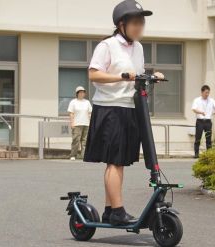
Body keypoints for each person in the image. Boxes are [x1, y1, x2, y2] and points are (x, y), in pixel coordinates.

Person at [84, 0, 163, 226]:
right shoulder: (107, 46)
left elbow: (135, 75)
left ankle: (110, 210)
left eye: (142, 23)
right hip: (109, 109)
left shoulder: (138, 48)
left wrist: (151, 75)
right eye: (135, 23)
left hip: (130, 108)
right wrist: (121, 77)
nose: (139, 27)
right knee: (114, 162)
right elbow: (94, 74)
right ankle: (118, 211)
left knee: (120, 161)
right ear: (121, 25)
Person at [191, 85, 215, 158]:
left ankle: (209, 154)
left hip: (208, 121)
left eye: (208, 93)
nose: (207, 94)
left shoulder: (211, 100)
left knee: (208, 138)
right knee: (198, 138)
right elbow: (194, 109)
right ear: (202, 92)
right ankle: (196, 154)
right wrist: (201, 112)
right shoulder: (197, 100)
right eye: (206, 92)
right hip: (200, 121)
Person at [68, 86, 92, 161]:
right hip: (77, 124)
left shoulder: (87, 102)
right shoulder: (73, 102)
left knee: (85, 140)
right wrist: (72, 123)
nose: (82, 93)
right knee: (76, 140)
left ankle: (84, 155)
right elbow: (71, 113)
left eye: (83, 92)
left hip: (86, 123)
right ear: (77, 93)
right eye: (80, 92)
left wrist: (91, 122)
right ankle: (73, 155)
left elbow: (90, 113)